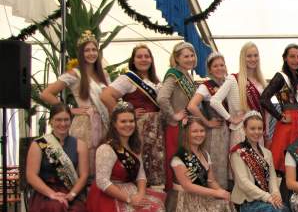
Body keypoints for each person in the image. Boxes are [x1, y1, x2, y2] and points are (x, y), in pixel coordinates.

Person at [86, 102, 170, 212]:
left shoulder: (134, 146)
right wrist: (130, 199)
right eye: (123, 121)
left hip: (130, 189)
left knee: (157, 206)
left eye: (131, 121)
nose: (128, 125)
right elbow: (102, 181)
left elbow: (141, 175)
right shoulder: (106, 148)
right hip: (109, 195)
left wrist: (141, 194)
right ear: (114, 124)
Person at [40, 30, 110, 175]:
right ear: (81, 54)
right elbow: (46, 94)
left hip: (104, 123)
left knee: (103, 163)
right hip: (85, 123)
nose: (91, 53)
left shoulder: (104, 75)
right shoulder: (74, 74)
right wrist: (69, 110)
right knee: (84, 164)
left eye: (94, 50)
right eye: (87, 50)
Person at [167, 118, 241, 212]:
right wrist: (216, 193)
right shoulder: (179, 157)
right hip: (184, 201)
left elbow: (211, 181)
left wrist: (223, 192)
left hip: (202, 196)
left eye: (202, 131)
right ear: (186, 133)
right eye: (194, 131)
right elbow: (188, 186)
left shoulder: (205, 154)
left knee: (225, 202)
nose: (199, 134)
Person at [25, 104, 91, 212]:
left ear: (71, 121)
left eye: (66, 120)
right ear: (51, 121)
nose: (63, 123)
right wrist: (52, 194)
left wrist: (72, 195)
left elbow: (84, 175)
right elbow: (31, 176)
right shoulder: (39, 144)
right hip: (45, 192)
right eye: (58, 120)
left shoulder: (80, 145)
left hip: (70, 191)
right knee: (56, 207)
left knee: (78, 210)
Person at [101, 44, 165, 187]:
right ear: (133, 60)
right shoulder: (127, 79)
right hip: (140, 129)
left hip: (157, 130)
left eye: (147, 56)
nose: (143, 59)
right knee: (142, 161)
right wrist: (126, 115)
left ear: (151, 60)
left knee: (155, 163)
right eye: (139, 56)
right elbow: (106, 96)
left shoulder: (156, 80)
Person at [230, 111, 291, 212]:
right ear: (244, 129)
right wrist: (267, 197)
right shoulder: (238, 152)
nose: (256, 132)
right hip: (246, 203)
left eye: (259, 128)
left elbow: (272, 178)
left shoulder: (267, 153)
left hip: (265, 199)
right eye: (252, 128)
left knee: (283, 209)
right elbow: (243, 183)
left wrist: (275, 194)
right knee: (273, 210)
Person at [260, 44, 298, 172]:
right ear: (285, 58)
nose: (296, 60)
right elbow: (264, 99)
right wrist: (279, 116)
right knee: (284, 162)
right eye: (292, 56)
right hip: (289, 124)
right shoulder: (281, 76)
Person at [211, 42, 267, 148]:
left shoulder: (261, 82)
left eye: (255, 55)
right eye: (249, 56)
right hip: (241, 131)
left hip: (258, 132)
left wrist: (266, 131)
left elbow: (265, 110)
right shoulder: (233, 79)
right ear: (243, 58)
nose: (253, 59)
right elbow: (214, 101)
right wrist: (230, 118)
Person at [187, 52, 230, 187]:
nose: (219, 68)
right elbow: (191, 106)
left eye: (221, 65)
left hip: (228, 129)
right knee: (216, 164)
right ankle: (215, 192)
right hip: (215, 132)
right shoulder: (206, 86)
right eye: (215, 66)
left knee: (227, 163)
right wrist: (207, 123)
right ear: (210, 70)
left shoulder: (228, 83)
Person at [158, 42, 197, 190]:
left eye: (192, 55)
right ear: (177, 58)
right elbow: (162, 98)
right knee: (177, 161)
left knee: (186, 161)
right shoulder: (173, 74)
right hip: (176, 127)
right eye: (186, 56)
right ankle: (176, 197)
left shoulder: (187, 74)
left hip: (186, 126)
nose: (190, 59)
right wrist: (174, 116)